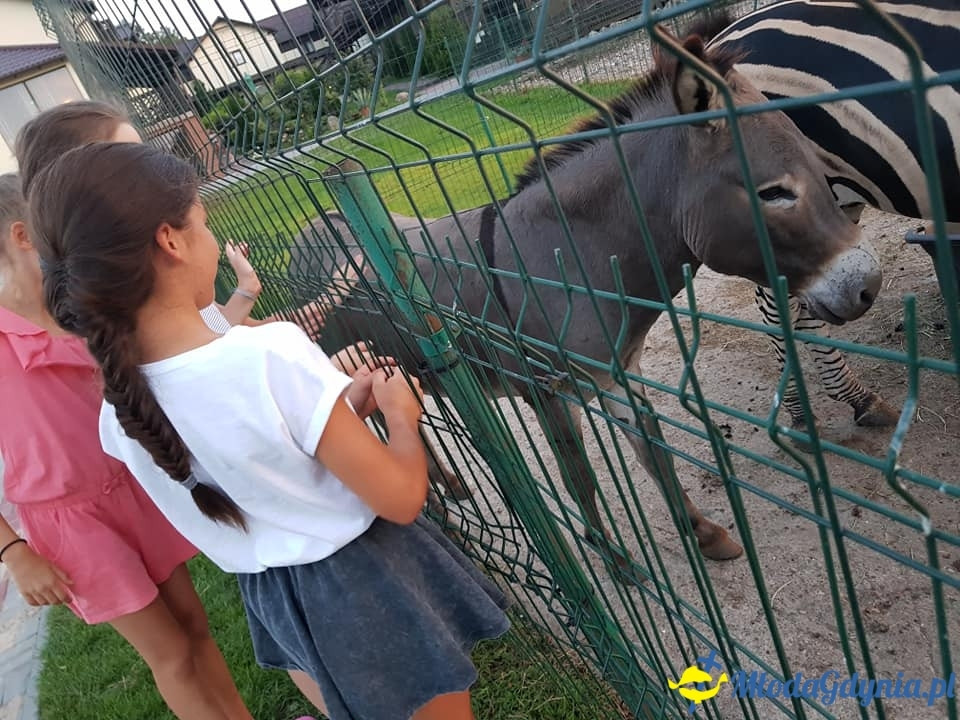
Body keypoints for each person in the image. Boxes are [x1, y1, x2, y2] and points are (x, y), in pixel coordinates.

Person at [31, 141, 510, 720]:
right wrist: (401, 416)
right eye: (204, 224)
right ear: (171, 241)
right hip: (369, 584)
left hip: (278, 603)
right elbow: (403, 497)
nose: (213, 242)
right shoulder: (267, 353)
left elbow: (250, 464)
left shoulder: (120, 414)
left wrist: (335, 413)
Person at [0, 173, 256, 719]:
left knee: (194, 626)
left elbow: (165, 349)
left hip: (134, 488)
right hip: (72, 525)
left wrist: (240, 306)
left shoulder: (80, 303)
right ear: (24, 235)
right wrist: (13, 552)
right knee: (171, 655)